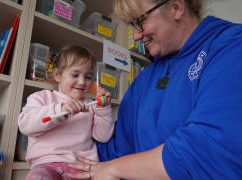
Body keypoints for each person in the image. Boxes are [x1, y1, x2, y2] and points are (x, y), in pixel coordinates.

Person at [66, 0, 242, 179]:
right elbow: (116, 147)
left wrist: (113, 169)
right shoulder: (145, 78)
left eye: (139, 21)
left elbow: (206, 150)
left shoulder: (231, 46)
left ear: (176, 7)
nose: (135, 35)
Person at [18, 44, 114, 180]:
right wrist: (60, 110)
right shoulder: (41, 97)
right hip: (47, 165)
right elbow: (25, 126)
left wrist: (103, 109)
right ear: (58, 75)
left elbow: (103, 137)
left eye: (88, 77)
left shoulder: (90, 105)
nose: (82, 82)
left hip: (82, 167)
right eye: (75, 75)